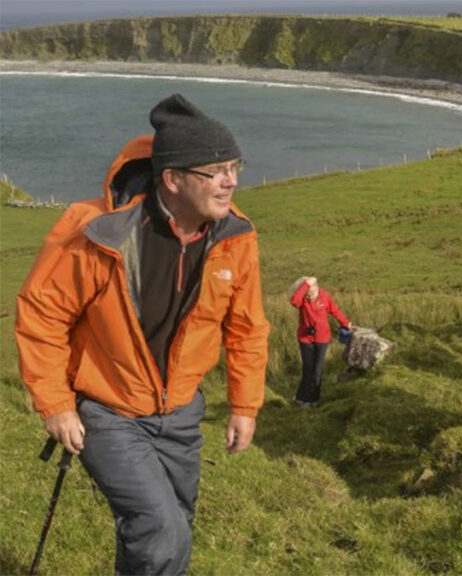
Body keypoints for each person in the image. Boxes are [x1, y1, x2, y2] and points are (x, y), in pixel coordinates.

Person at [15, 93, 270, 574]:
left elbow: (247, 327)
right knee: (157, 527)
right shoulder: (97, 232)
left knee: (173, 525)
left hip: (181, 413)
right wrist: (56, 404)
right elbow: (41, 315)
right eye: (214, 170)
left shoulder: (236, 237)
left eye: (234, 166)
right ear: (172, 179)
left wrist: (244, 405)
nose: (230, 181)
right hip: (108, 412)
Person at [290, 276, 352, 406]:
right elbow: (294, 301)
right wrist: (306, 284)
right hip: (305, 338)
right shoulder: (302, 300)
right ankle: (303, 399)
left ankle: (314, 399)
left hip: (322, 338)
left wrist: (345, 323)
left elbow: (335, 310)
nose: (311, 293)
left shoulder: (324, 296)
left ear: (317, 287)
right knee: (308, 369)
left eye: (313, 288)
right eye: (307, 290)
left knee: (317, 371)